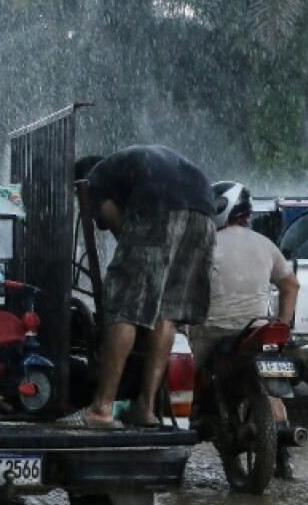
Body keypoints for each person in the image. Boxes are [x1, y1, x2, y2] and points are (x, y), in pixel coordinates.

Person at [70, 145, 216, 428]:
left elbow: (119, 227)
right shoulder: (131, 166)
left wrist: (128, 275)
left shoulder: (95, 179)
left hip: (159, 207)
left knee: (125, 306)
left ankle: (101, 409)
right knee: (166, 311)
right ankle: (146, 408)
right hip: (204, 212)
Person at [190, 180, 301, 478]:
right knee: (272, 384)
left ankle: (177, 435)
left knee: (178, 379)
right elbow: (291, 285)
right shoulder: (267, 244)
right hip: (258, 331)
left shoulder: (205, 244)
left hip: (211, 331)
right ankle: (284, 459)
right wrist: (284, 323)